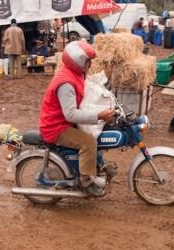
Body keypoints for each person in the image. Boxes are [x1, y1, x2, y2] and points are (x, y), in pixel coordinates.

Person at [39, 41, 115, 196]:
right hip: (56, 126)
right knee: (88, 142)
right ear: (78, 60)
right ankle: (85, 182)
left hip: (63, 122)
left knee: (97, 135)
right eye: (88, 60)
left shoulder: (74, 73)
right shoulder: (65, 82)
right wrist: (99, 115)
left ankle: (93, 167)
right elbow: (71, 114)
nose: (90, 63)